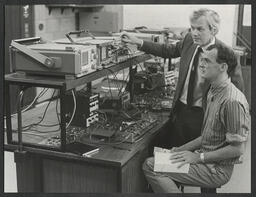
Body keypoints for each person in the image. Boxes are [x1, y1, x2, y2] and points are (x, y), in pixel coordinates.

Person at [121, 8, 244, 147]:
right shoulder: (189, 40)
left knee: (194, 158)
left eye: (200, 29)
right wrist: (138, 42)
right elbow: (167, 50)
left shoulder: (226, 54)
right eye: (192, 28)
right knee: (175, 155)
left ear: (213, 30)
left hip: (204, 115)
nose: (195, 33)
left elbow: (237, 92)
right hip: (180, 111)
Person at [142, 41, 250, 193]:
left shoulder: (232, 101)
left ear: (223, 67)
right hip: (206, 159)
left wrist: (198, 158)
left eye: (207, 61)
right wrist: (180, 150)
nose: (201, 65)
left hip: (217, 169)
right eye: (202, 60)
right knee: (159, 159)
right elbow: (207, 136)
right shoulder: (214, 90)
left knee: (151, 166)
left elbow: (238, 149)